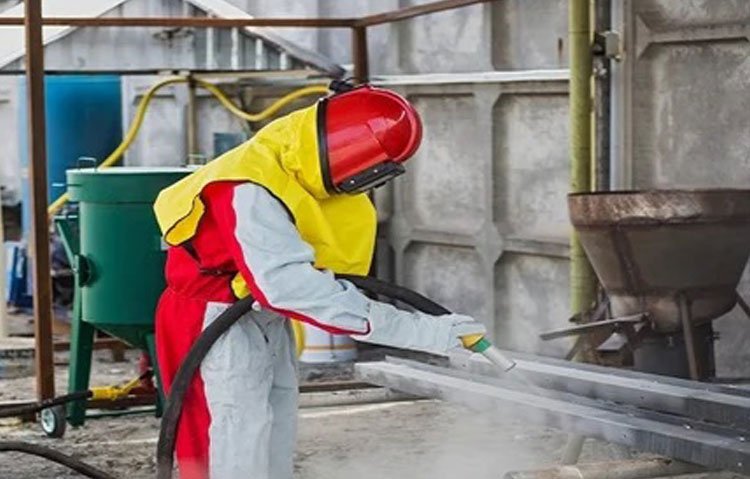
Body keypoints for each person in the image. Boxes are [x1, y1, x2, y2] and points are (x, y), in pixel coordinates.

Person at [152, 83, 486, 479]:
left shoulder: (299, 166)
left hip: (256, 313)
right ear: (349, 154)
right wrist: (427, 332)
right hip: (211, 320)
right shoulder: (249, 189)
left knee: (272, 430)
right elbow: (291, 289)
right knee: (231, 443)